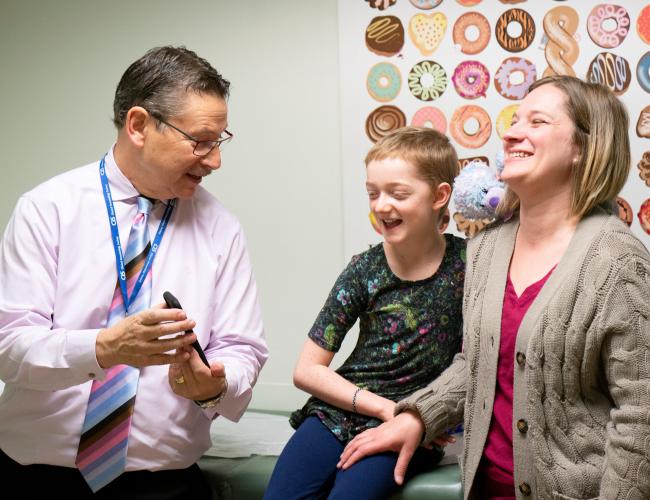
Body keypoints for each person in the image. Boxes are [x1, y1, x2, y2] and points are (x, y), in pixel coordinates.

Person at [338, 75, 650, 499]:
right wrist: (419, 416)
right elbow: (479, 364)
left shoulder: (618, 261)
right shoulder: (484, 248)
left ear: (582, 147)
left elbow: (640, 415)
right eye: (514, 119)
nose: (511, 132)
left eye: (536, 121)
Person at [0, 46, 268, 499]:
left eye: (220, 141)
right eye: (201, 140)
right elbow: (9, 348)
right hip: (38, 477)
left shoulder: (221, 227)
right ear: (139, 125)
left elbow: (243, 348)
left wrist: (215, 383)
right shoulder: (48, 209)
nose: (214, 160)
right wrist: (105, 348)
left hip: (165, 485)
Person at [264, 127, 466, 499]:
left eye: (398, 193)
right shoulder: (364, 270)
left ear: (440, 196)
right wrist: (384, 408)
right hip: (340, 412)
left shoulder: (470, 265)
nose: (380, 204)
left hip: (414, 421)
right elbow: (307, 370)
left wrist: (409, 417)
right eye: (372, 193)